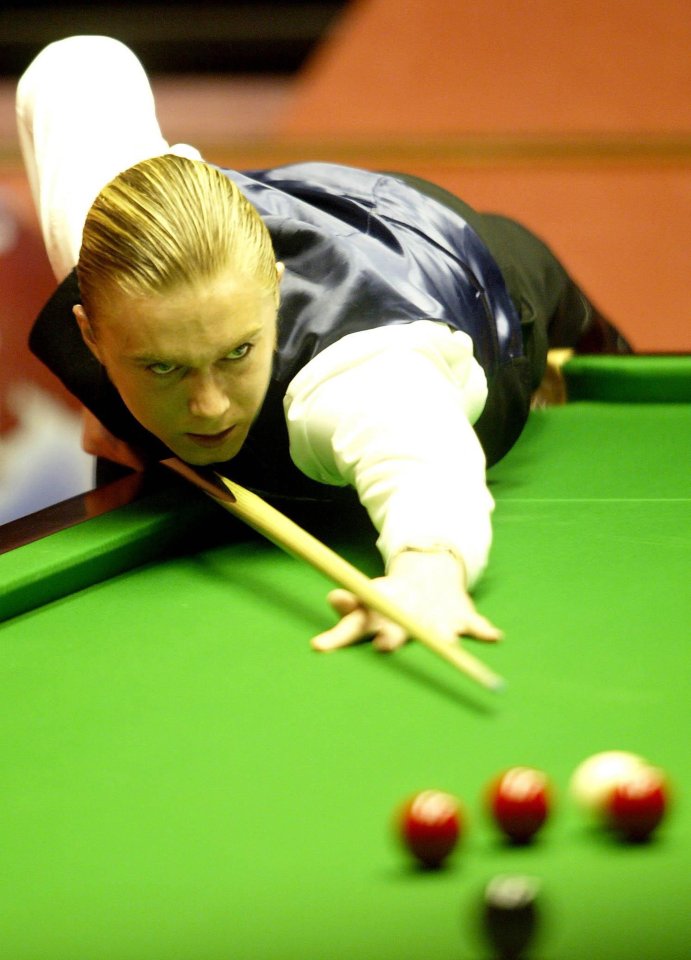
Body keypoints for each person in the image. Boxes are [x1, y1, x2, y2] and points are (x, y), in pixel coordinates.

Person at [16, 36, 631, 656]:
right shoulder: (112, 234)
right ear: (91, 331)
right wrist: (107, 398)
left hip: (461, 265)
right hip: (290, 207)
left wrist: (427, 571)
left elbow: (422, 459)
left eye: (237, 354)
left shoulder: (359, 376)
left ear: (275, 295)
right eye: (162, 366)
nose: (208, 407)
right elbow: (79, 64)